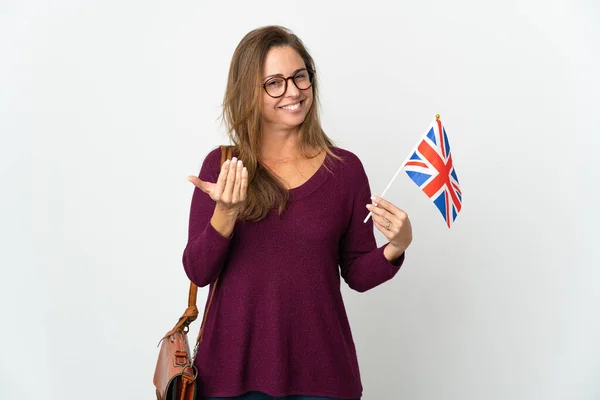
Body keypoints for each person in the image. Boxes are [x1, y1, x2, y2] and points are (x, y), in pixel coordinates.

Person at [183, 25, 413, 400]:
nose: (293, 92)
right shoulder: (223, 165)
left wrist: (396, 247)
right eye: (274, 82)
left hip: (322, 377)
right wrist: (224, 212)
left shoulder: (345, 171)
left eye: (299, 76)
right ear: (249, 92)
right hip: (230, 378)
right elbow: (198, 270)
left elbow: (356, 272)